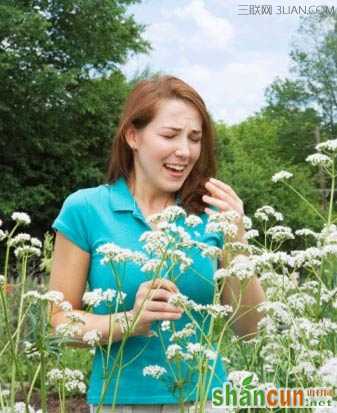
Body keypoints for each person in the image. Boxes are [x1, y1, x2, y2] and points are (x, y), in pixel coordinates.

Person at [49, 75, 265, 413]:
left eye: (195, 139)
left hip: (206, 399)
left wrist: (237, 236)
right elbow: (61, 323)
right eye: (169, 135)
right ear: (133, 136)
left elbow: (251, 330)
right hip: (118, 400)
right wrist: (129, 321)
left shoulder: (212, 213)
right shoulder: (85, 209)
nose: (185, 151)